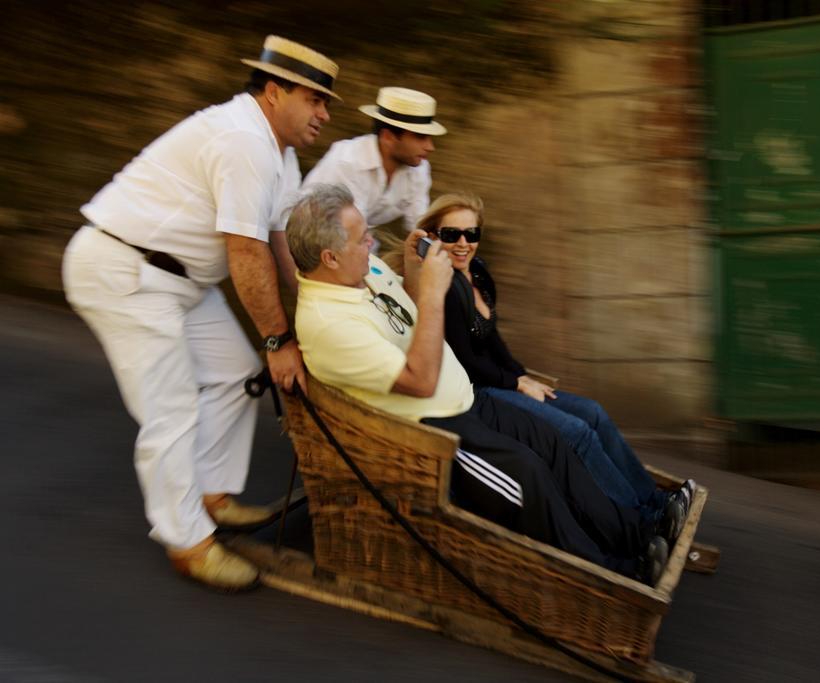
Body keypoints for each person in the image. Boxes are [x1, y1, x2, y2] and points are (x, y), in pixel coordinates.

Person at [61, 35, 341, 591]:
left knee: (239, 377)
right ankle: (186, 540)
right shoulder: (242, 141)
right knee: (170, 408)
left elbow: (280, 240)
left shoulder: (279, 153)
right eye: (314, 99)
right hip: (127, 272)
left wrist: (329, 304)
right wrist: (278, 340)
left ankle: (210, 494)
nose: (325, 114)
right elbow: (245, 252)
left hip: (183, 280)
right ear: (274, 89)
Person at [287, 183, 670, 585]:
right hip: (435, 433)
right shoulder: (328, 324)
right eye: (361, 238)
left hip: (466, 399)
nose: (372, 241)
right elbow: (419, 381)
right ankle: (614, 578)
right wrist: (435, 291)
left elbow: (416, 317)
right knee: (530, 479)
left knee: (554, 444)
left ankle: (637, 538)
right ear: (330, 258)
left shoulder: (368, 270)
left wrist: (415, 274)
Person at [417, 192, 696, 539]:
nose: (463, 244)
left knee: (593, 412)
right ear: (433, 237)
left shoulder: (479, 273)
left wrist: (521, 374)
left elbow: (493, 339)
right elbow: (467, 361)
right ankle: (640, 518)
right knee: (576, 432)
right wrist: (515, 383)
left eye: (471, 234)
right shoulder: (442, 286)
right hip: (477, 391)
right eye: (450, 235)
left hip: (501, 379)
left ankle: (654, 500)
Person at [301, 87, 445, 234]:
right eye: (420, 137)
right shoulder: (348, 163)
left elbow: (421, 226)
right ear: (388, 137)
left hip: (353, 242)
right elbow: (352, 233)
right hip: (305, 238)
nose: (430, 147)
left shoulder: (419, 169)